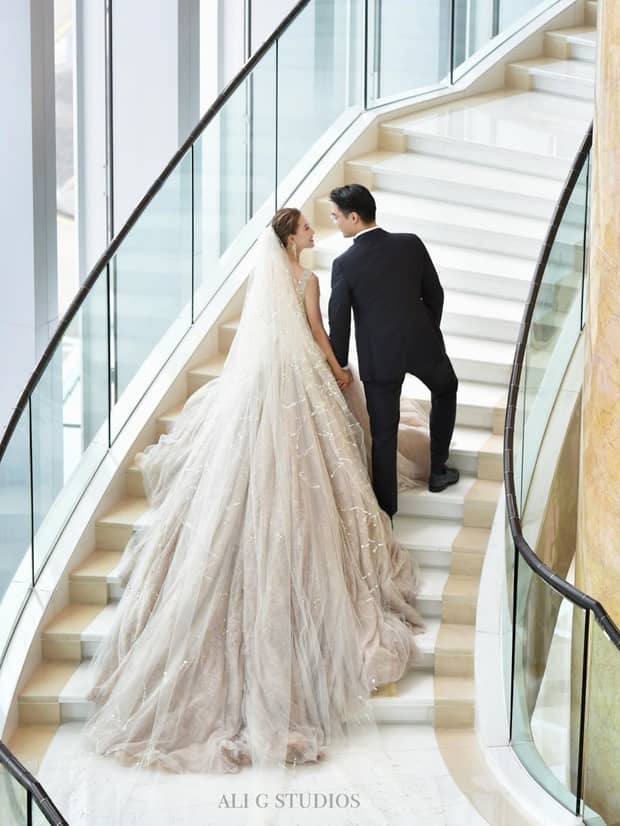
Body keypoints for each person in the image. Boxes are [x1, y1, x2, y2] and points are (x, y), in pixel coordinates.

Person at [83, 209, 429, 775]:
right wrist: (339, 371)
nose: (315, 232)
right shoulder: (306, 280)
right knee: (321, 459)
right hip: (299, 380)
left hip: (264, 379)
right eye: (308, 228)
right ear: (292, 238)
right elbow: (317, 333)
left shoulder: (268, 280)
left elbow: (262, 334)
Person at [328, 184, 459, 519]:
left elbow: (340, 324)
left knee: (383, 433)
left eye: (337, 217)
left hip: (378, 358)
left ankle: (387, 510)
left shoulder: (345, 264)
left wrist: (339, 363)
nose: (335, 222)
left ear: (354, 217)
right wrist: (427, 330)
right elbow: (435, 294)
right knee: (446, 388)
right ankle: (438, 471)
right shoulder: (410, 243)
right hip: (421, 343)